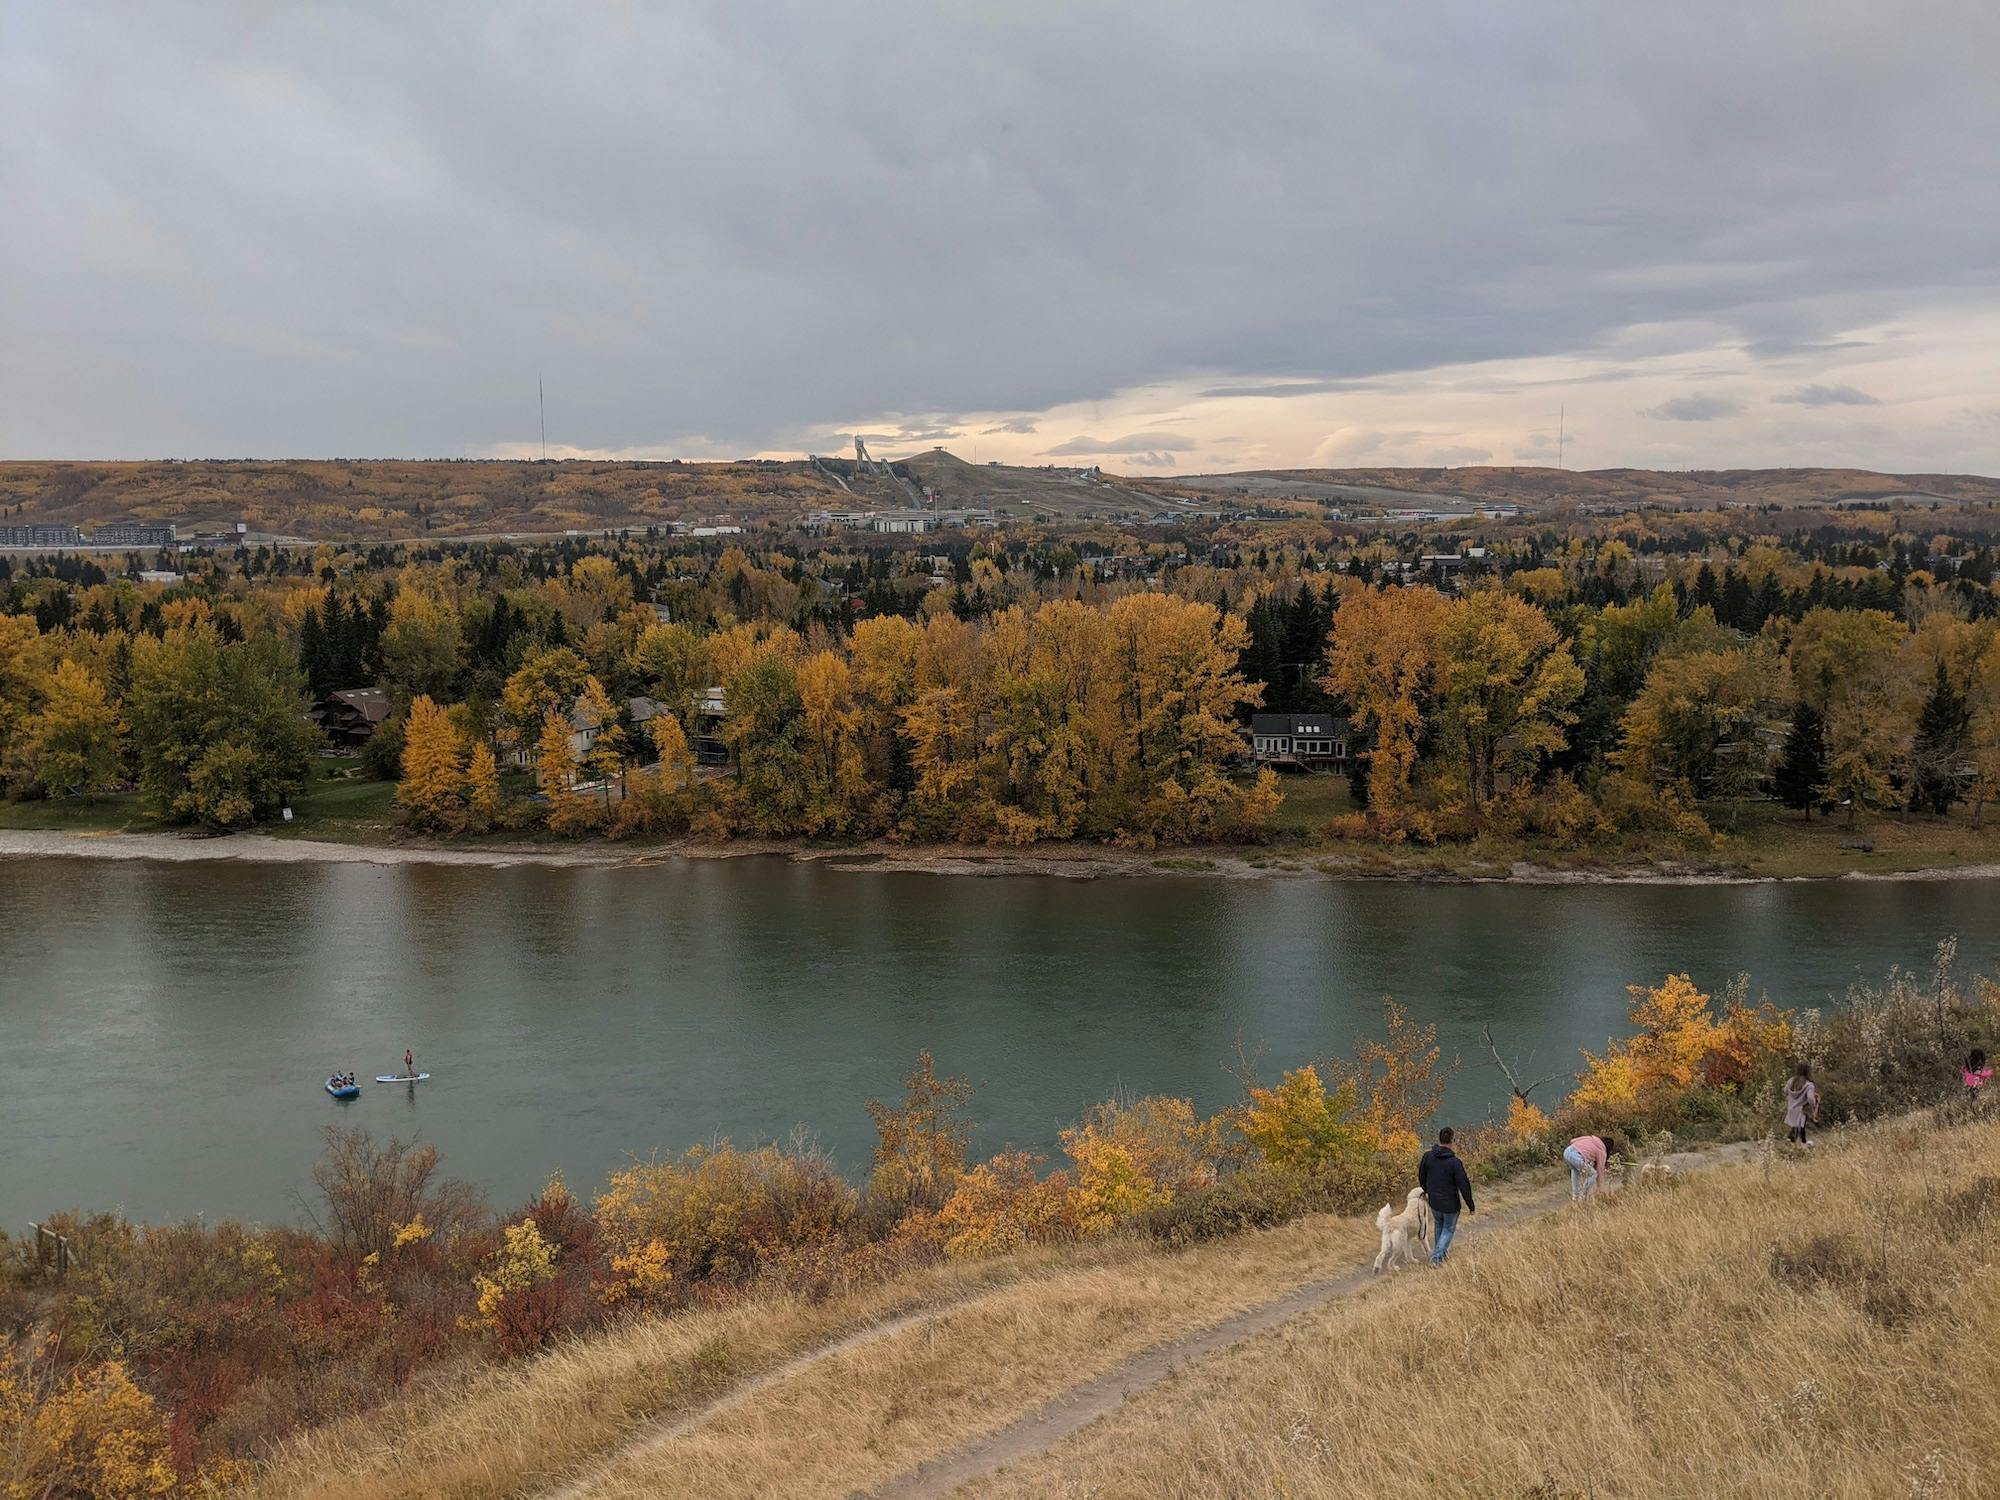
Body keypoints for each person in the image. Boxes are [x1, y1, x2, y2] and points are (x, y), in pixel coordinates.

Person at [1416, 1126, 1475, 1266]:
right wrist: (1470, 1205)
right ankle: (1436, 1258)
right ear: (1452, 1140)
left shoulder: (1428, 1156)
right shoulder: (1454, 1162)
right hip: (1450, 1204)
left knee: (1439, 1225)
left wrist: (1427, 1190)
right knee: (1448, 1229)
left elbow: (1421, 1176)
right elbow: (1464, 1185)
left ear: (1439, 1138)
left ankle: (1442, 1254)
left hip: (1434, 1201)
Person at [1563, 1133, 1609, 1203]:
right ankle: (1583, 1197)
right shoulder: (1602, 1151)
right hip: (1575, 1157)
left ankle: (1575, 1197)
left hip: (1567, 1152)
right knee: (1593, 1174)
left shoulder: (1590, 1138)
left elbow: (1572, 1141)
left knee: (1575, 1171)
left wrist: (1587, 1149)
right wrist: (1601, 1189)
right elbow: (1600, 1172)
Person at [1784, 1062, 1819, 1146]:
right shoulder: (1809, 1085)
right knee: (1800, 1127)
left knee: (1795, 1127)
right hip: (1801, 1109)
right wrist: (1814, 1102)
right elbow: (1810, 1099)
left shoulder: (1791, 1081)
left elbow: (1785, 1091)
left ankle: (1793, 1143)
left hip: (1791, 1108)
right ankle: (1802, 1143)